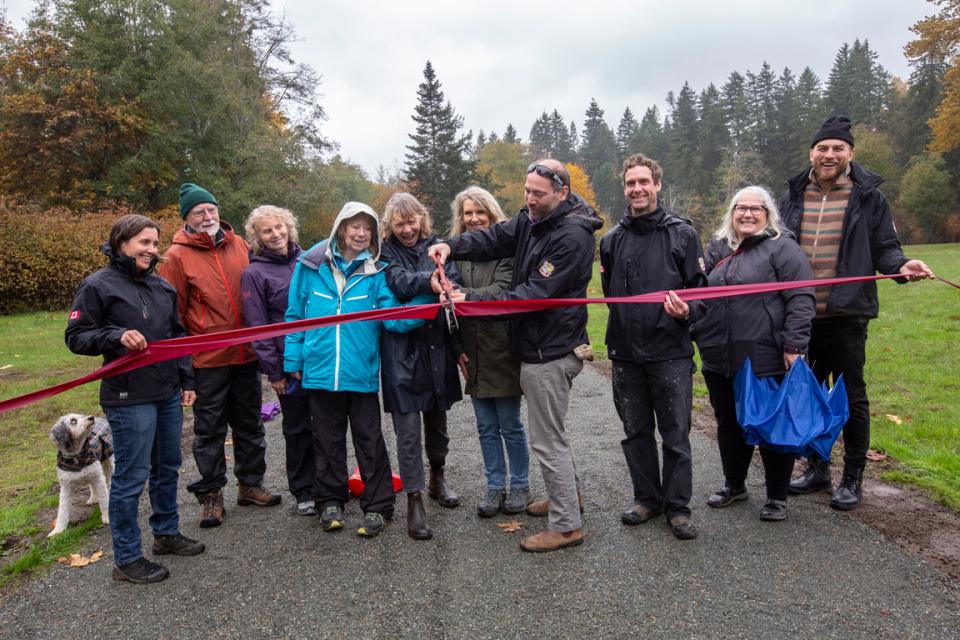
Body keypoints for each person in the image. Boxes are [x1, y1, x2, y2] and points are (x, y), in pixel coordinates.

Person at [429, 159, 602, 553]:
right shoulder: (532, 220)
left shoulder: (572, 236)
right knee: (551, 433)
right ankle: (567, 499)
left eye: (538, 194)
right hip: (539, 346)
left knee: (546, 439)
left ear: (562, 191)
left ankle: (566, 526)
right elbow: (493, 239)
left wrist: (469, 299)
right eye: (527, 191)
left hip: (551, 350)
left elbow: (533, 295)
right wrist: (450, 245)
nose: (529, 200)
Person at [779, 116, 934, 510]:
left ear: (850, 153)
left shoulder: (869, 197)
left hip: (847, 315)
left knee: (851, 397)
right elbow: (775, 248)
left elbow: (885, 248)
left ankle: (852, 476)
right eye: (822, 148)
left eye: (837, 148)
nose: (829, 155)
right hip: (800, 316)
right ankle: (817, 468)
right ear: (811, 153)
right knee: (809, 396)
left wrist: (902, 266)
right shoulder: (793, 195)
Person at [66, 214, 204, 584]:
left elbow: (178, 337)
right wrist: (115, 335)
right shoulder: (97, 286)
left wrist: (186, 378)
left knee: (168, 466)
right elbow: (76, 337)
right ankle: (126, 559)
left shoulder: (162, 287)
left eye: (155, 243)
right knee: (131, 476)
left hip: (166, 392)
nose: (152, 250)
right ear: (121, 242)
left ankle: (166, 533)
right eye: (144, 242)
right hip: (128, 396)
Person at [665, 187, 816, 521]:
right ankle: (735, 485)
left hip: (765, 357)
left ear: (768, 213)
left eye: (755, 208)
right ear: (731, 213)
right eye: (740, 208)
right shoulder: (717, 249)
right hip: (719, 355)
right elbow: (701, 296)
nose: (747, 214)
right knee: (729, 424)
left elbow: (801, 299)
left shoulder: (783, 249)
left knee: (771, 425)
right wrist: (687, 314)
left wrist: (795, 347)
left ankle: (777, 496)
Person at [284, 202, 423, 537]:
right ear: (341, 228)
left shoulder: (376, 272)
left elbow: (393, 318)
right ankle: (330, 500)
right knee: (326, 440)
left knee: (369, 439)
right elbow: (294, 315)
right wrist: (293, 360)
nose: (360, 234)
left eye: (367, 228)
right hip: (318, 370)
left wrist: (430, 304)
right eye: (354, 226)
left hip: (359, 372)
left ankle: (378, 506)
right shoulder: (310, 266)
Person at [159, 183, 280, 529]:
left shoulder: (239, 244)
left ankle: (250, 484)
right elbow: (174, 315)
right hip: (208, 358)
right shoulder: (176, 257)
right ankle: (211, 495)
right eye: (199, 212)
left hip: (246, 355)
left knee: (250, 423)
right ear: (188, 218)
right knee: (209, 430)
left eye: (211, 209)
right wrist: (183, 366)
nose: (208, 216)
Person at [599, 154, 707, 540]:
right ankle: (647, 498)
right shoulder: (611, 240)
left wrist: (685, 313)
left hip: (670, 352)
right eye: (630, 183)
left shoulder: (682, 234)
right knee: (635, 431)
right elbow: (611, 295)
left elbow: (701, 293)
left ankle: (678, 507)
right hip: (626, 353)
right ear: (624, 188)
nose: (637, 189)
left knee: (676, 434)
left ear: (657, 185)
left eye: (644, 182)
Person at [379, 193, 463, 541]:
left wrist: (447, 285)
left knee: (438, 419)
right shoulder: (383, 251)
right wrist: (429, 283)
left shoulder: (437, 245)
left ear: (422, 219)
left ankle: (437, 477)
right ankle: (413, 498)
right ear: (391, 225)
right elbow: (395, 282)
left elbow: (452, 278)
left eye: (412, 221)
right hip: (401, 351)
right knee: (408, 431)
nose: (407, 229)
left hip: (436, 346)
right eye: (400, 223)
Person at [448, 187, 529, 518]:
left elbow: (502, 292)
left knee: (510, 423)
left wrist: (463, 295)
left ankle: (520, 484)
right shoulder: (455, 253)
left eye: (479, 212)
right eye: (467, 213)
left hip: (503, 348)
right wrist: (457, 349)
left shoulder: (507, 250)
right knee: (484, 426)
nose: (473, 218)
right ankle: (494, 486)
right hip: (472, 352)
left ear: (491, 214)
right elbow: (447, 306)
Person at [241, 206, 316, 516]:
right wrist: (274, 372)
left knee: (326, 424)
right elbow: (258, 327)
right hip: (288, 365)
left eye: (279, 227)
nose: (275, 234)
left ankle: (329, 483)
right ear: (257, 237)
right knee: (297, 428)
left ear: (289, 227)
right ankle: (304, 490)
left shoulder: (309, 260)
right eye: (267, 230)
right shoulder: (253, 274)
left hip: (319, 357)